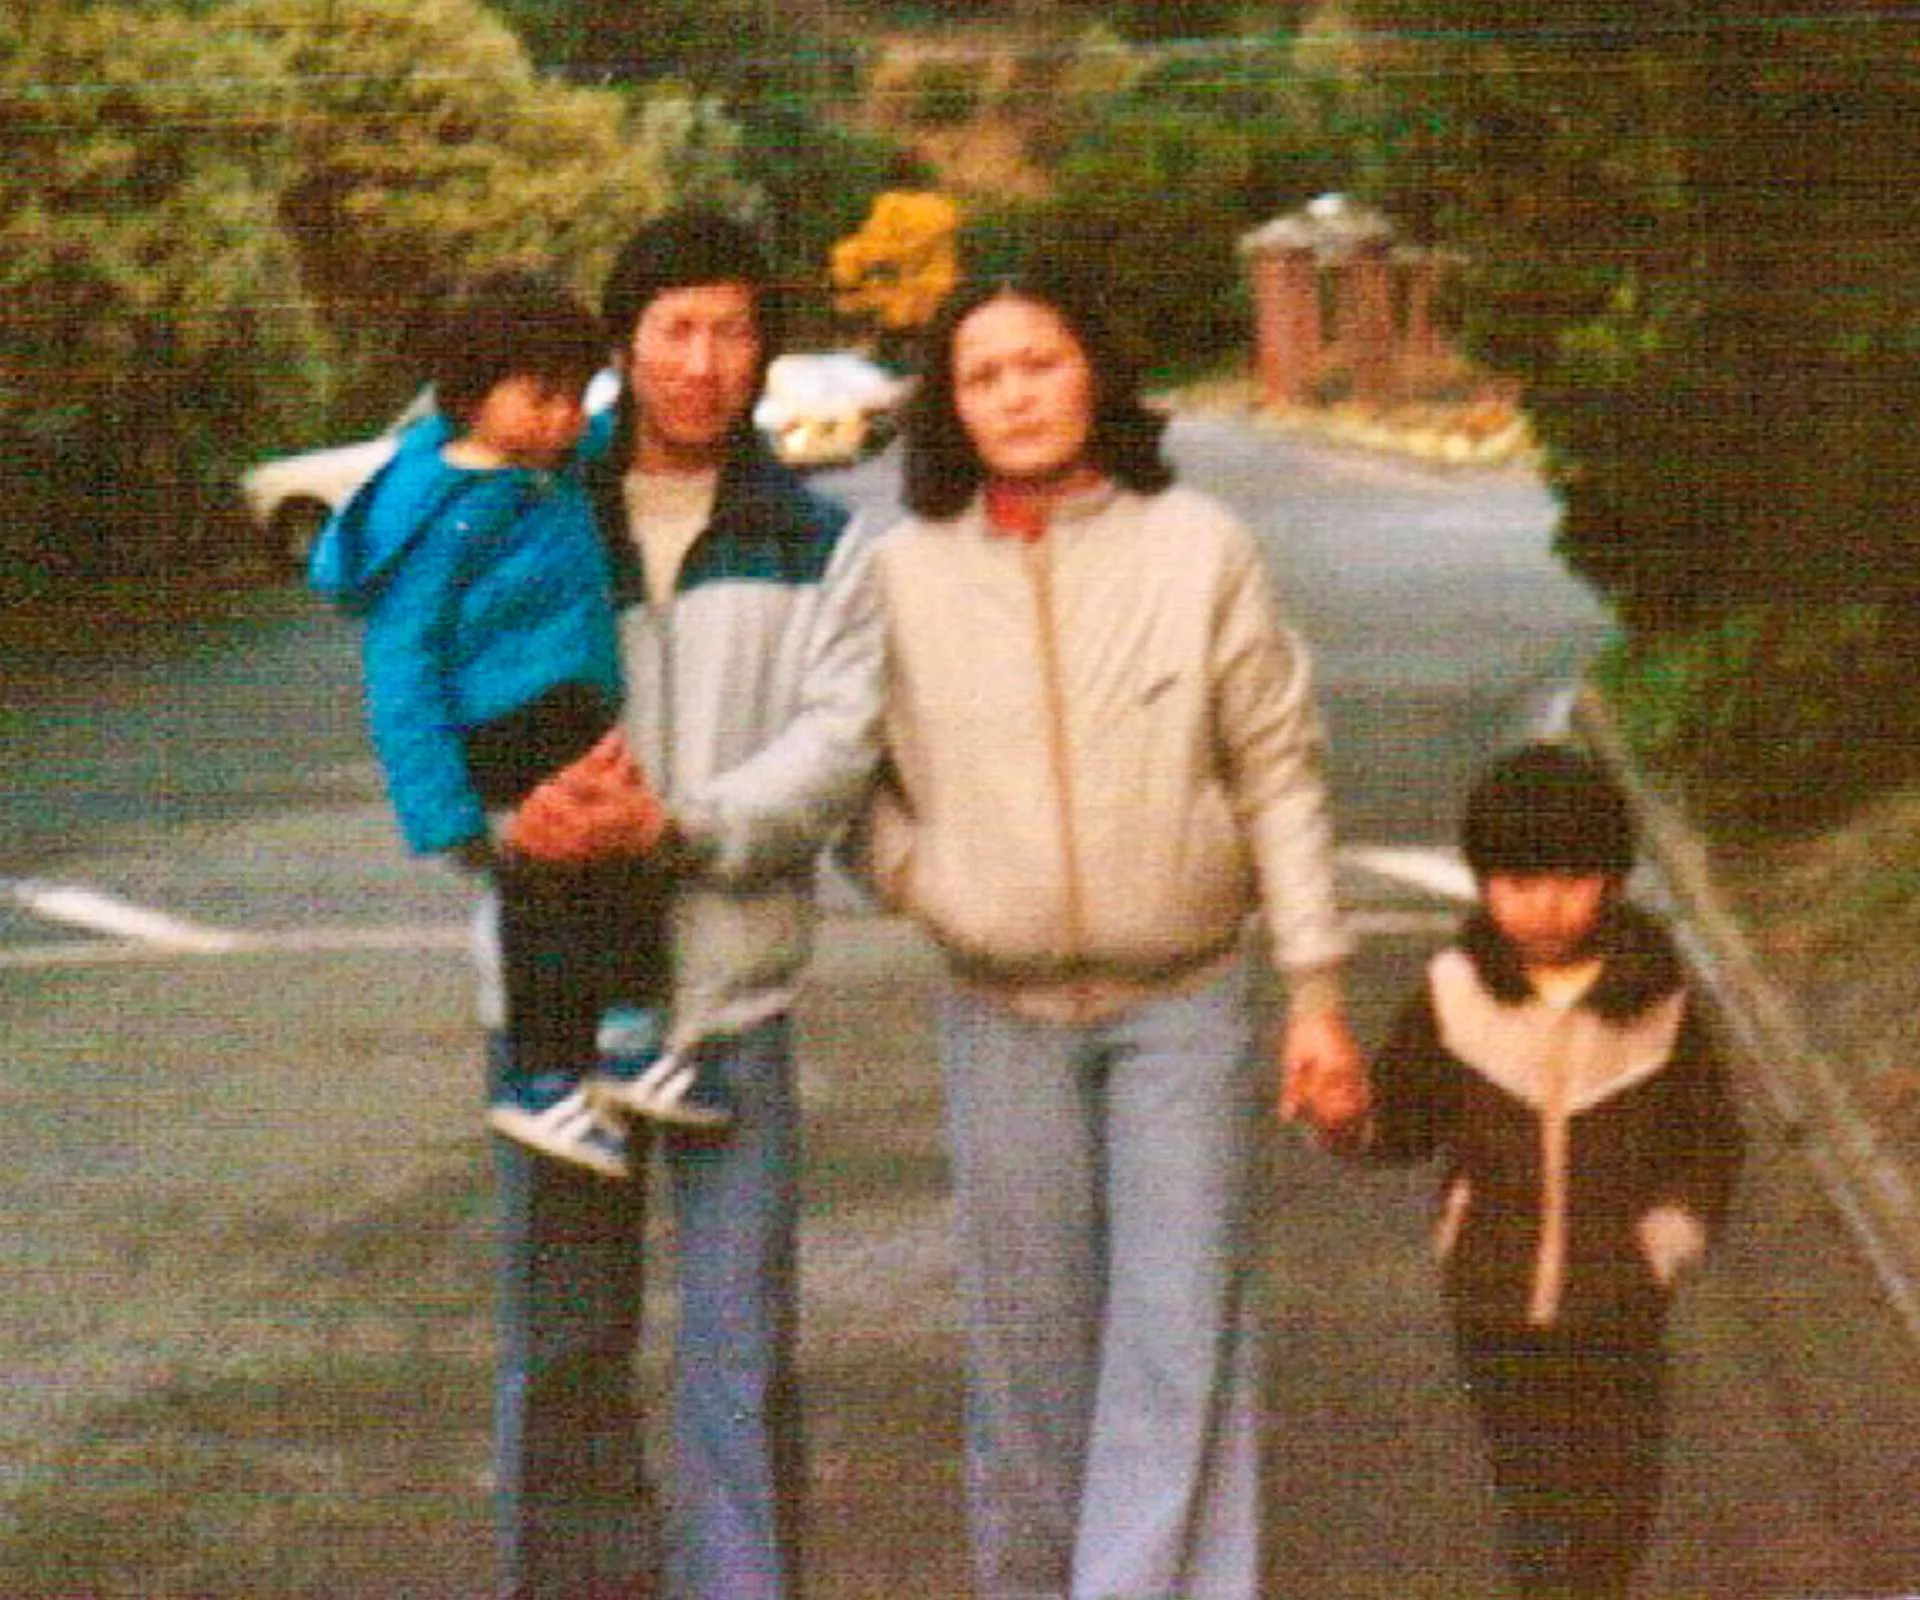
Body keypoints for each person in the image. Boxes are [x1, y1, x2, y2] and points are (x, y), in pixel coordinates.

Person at [863, 267, 1370, 1600]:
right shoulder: (901, 574)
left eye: (1040, 361)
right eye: (982, 375)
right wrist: (931, 876)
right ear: (950, 409)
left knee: (1177, 1341)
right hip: (1000, 1013)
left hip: (1183, 1007)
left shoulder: (1199, 547)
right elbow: (848, 783)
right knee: (1028, 1361)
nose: (1016, 394)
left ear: (1093, 371)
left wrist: (1315, 992)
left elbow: (1276, 767)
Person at [486, 209, 885, 1600]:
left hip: (731, 1006)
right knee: (565, 1342)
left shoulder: (815, 543)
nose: (704, 361)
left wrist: (679, 827)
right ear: (622, 341)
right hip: (551, 1007)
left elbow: (836, 750)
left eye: (734, 329)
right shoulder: (524, 514)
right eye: (674, 327)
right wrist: (511, 818)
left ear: (766, 350)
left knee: (739, 1351)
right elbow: (443, 696)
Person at [309, 267, 697, 1180]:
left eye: (578, 396)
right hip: (502, 728)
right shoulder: (440, 510)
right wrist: (446, 818)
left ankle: (625, 1040)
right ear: (471, 395)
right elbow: (401, 668)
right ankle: (540, 1076)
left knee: (621, 858)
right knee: (550, 895)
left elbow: (607, 433)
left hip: (564, 710)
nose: (566, 418)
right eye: (543, 397)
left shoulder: (540, 465)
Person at [1361, 742, 1745, 1598]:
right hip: (1493, 1303)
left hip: (1619, 1301)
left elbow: (1712, 1136)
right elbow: (1404, 1122)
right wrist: (1349, 1116)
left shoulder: (1659, 997)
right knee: (1535, 1502)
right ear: (1484, 884)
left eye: (1570, 881)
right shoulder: (1454, 992)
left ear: (1610, 881)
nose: (1544, 907)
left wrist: (1670, 1236)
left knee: (1617, 1502)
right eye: (1518, 883)